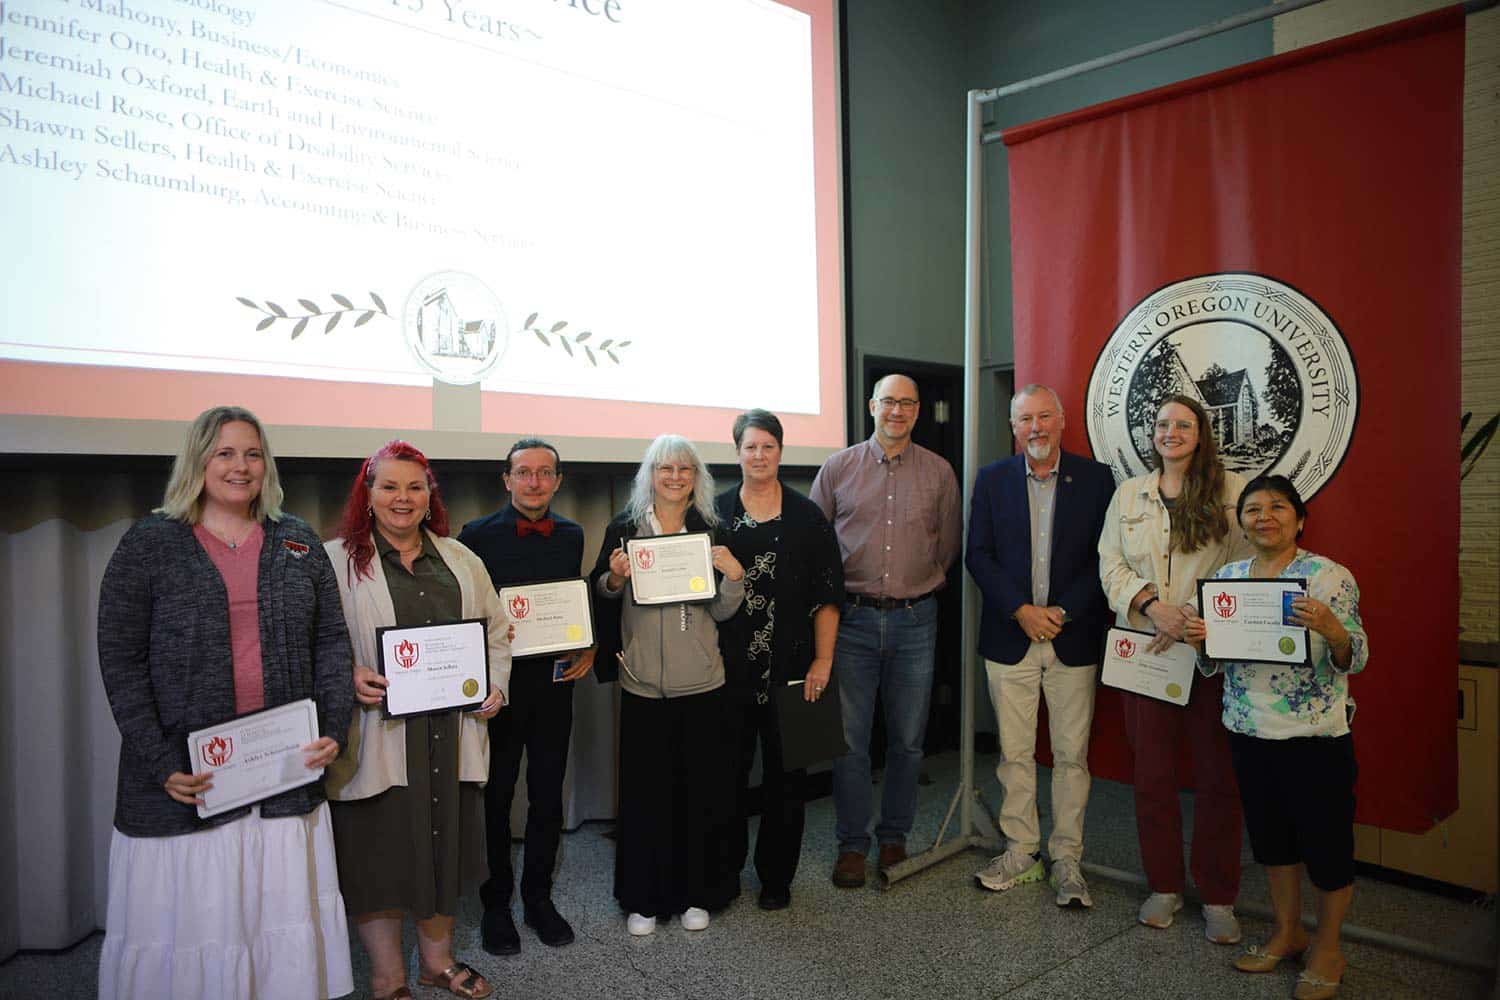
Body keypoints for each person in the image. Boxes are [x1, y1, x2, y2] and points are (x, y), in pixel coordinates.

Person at [95, 406, 354, 1000]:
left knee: (275, 924)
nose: (241, 467)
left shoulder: (298, 541)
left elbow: (332, 643)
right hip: (191, 783)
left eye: (253, 454)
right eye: (225, 453)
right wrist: (163, 764)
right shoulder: (149, 544)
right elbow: (121, 662)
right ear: (198, 461)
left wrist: (333, 727)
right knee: (194, 932)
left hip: (285, 777)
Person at [324, 441, 511, 1000]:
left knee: (443, 849)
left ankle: (437, 962)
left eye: (414, 487)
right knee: (376, 858)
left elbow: (496, 633)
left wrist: (495, 685)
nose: (402, 498)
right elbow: (313, 643)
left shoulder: (461, 560)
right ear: (368, 494)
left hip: (449, 738)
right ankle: (387, 977)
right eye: (389, 486)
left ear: (430, 497)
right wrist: (347, 675)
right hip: (378, 738)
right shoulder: (335, 561)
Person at [1184, 475, 1367, 1000]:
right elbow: (1214, 663)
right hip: (1248, 729)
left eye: (1278, 507)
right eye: (1253, 509)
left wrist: (1334, 630)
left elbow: (1357, 653)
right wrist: (1204, 640)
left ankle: (1329, 946)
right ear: (1241, 521)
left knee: (1328, 845)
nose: (1265, 516)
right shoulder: (1230, 578)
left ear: (1299, 518)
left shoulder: (1329, 577)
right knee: (1272, 843)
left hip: (1316, 735)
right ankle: (1289, 932)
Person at [1098, 393, 1253, 943]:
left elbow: (1244, 563)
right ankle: (1163, 886)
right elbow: (1110, 563)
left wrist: (1191, 614)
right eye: (1162, 424)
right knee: (1153, 778)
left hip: (1207, 654)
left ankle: (1218, 897)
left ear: (1201, 432)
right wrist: (1150, 605)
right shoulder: (1128, 495)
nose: (1171, 433)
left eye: (1183, 425)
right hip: (1147, 654)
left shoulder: (1230, 492)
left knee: (1218, 780)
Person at [966, 385, 1115, 907]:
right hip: (1010, 639)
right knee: (1015, 754)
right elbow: (978, 555)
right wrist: (1022, 610)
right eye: (1025, 418)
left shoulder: (1097, 480)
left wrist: (1061, 612)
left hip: (1072, 638)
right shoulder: (991, 480)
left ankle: (1067, 859)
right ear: (1013, 427)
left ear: (1063, 420)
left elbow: (1106, 557)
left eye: (1044, 415)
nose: (1036, 426)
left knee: (1073, 756)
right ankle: (1022, 850)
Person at [591, 433, 746, 935]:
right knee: (645, 800)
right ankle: (644, 899)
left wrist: (736, 577)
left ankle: (697, 894)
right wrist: (614, 579)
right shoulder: (624, 529)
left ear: (697, 478)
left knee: (700, 796)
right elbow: (603, 594)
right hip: (642, 687)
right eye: (665, 469)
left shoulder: (712, 528)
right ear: (649, 476)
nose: (675, 477)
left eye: (684, 469)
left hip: (702, 685)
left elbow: (722, 610)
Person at [811, 373, 962, 888]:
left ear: (918, 411)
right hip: (849, 621)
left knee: (909, 741)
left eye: (908, 403)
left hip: (916, 620)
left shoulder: (940, 472)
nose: (898, 410)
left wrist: (914, 586)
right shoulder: (838, 468)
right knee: (849, 742)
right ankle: (852, 846)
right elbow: (816, 548)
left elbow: (947, 549)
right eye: (889, 401)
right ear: (871, 405)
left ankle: (894, 837)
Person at [458, 438, 595, 954]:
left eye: (544, 473)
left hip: (554, 688)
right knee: (495, 797)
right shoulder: (476, 536)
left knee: (546, 795)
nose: (534, 481)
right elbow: (469, 611)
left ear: (558, 482)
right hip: (499, 689)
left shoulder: (572, 534)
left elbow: (571, 604)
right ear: (507, 479)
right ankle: (496, 904)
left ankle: (538, 898)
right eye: (524, 472)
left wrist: (589, 643)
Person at [715, 410, 845, 910]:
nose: (759, 455)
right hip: (728, 672)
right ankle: (725, 876)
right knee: (727, 777)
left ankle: (775, 879)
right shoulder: (716, 512)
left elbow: (828, 595)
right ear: (737, 453)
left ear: (781, 452)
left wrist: (823, 662)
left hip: (793, 670)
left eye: (768, 446)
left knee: (786, 781)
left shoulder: (807, 517)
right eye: (750, 447)